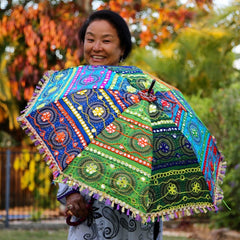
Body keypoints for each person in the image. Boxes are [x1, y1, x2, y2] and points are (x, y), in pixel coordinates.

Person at [57, 10, 163, 240]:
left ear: (122, 48)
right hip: (89, 212)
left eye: (106, 40)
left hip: (134, 209)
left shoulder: (144, 91)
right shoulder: (74, 89)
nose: (96, 47)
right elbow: (61, 146)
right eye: (90, 38)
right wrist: (71, 193)